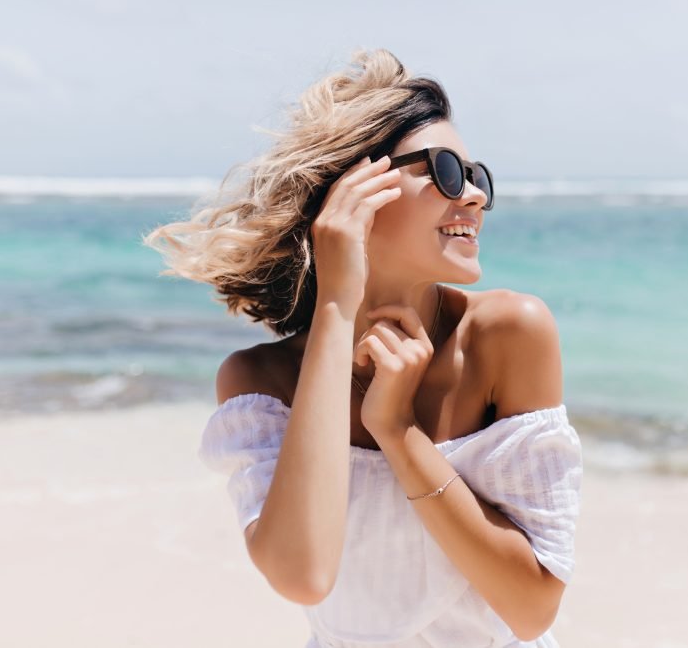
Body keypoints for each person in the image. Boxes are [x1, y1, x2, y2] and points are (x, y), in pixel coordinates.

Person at [142, 47, 583, 648]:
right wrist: (335, 306)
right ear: (355, 190)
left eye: (477, 177)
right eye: (447, 171)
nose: (475, 196)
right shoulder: (261, 381)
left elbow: (532, 609)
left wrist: (398, 433)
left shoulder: (507, 333)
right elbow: (303, 575)